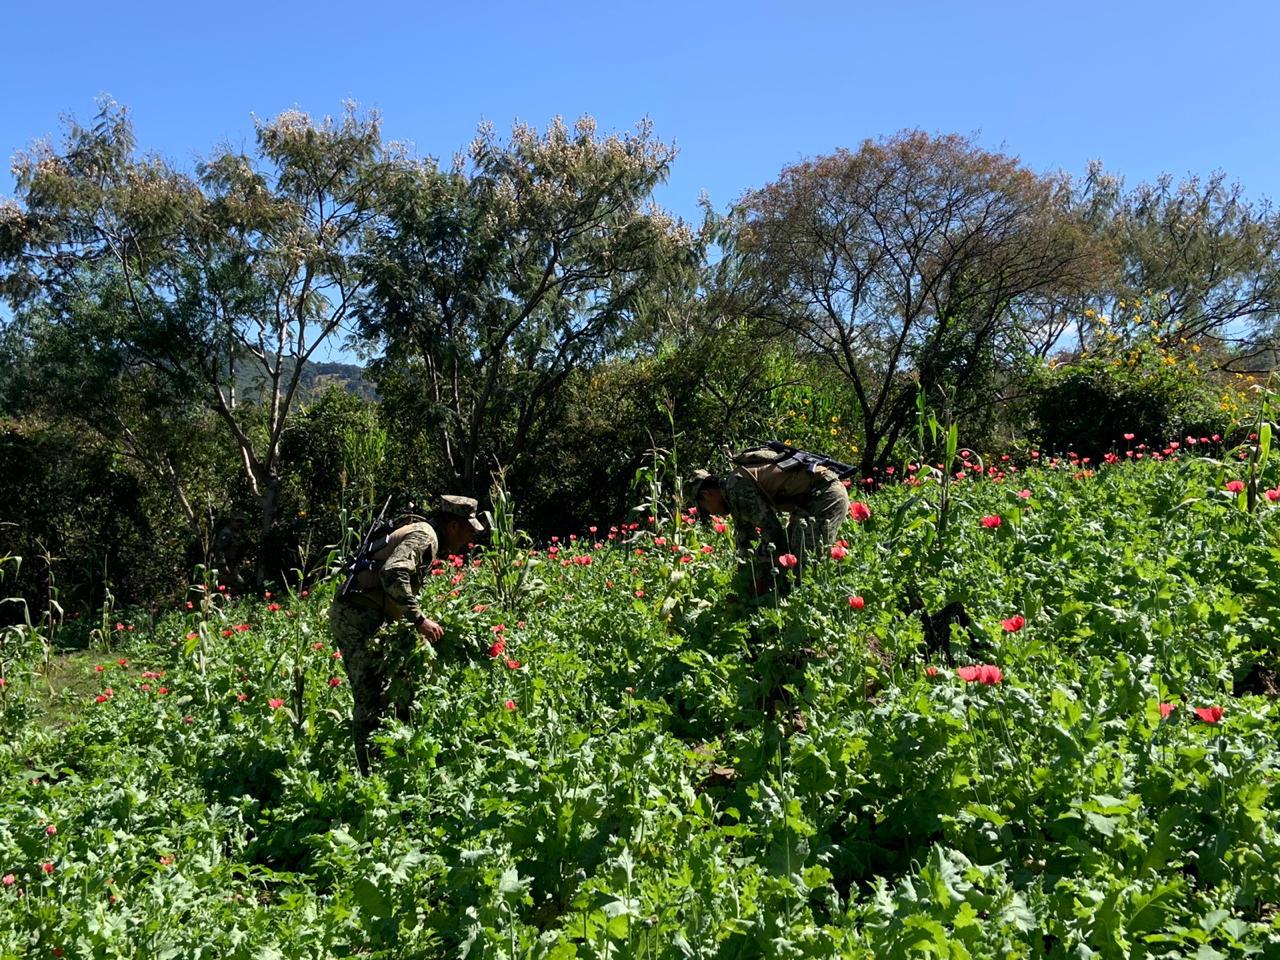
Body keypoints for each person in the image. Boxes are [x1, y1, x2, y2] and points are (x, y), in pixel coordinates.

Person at [328, 495, 485, 774]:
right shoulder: (425, 536)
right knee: (369, 699)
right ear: (452, 526)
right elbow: (394, 571)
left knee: (399, 688)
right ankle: (370, 775)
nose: (468, 539)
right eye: (468, 530)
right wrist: (419, 620)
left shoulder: (423, 532)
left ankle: (397, 758)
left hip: (371, 616)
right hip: (356, 618)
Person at [691, 445, 850, 596]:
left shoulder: (736, 487)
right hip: (811, 499)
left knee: (805, 565)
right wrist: (745, 579)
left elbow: (773, 532)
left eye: (705, 508)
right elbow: (746, 539)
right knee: (793, 555)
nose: (712, 514)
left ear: (707, 495)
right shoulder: (734, 487)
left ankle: (816, 610)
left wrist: (758, 577)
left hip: (825, 495)